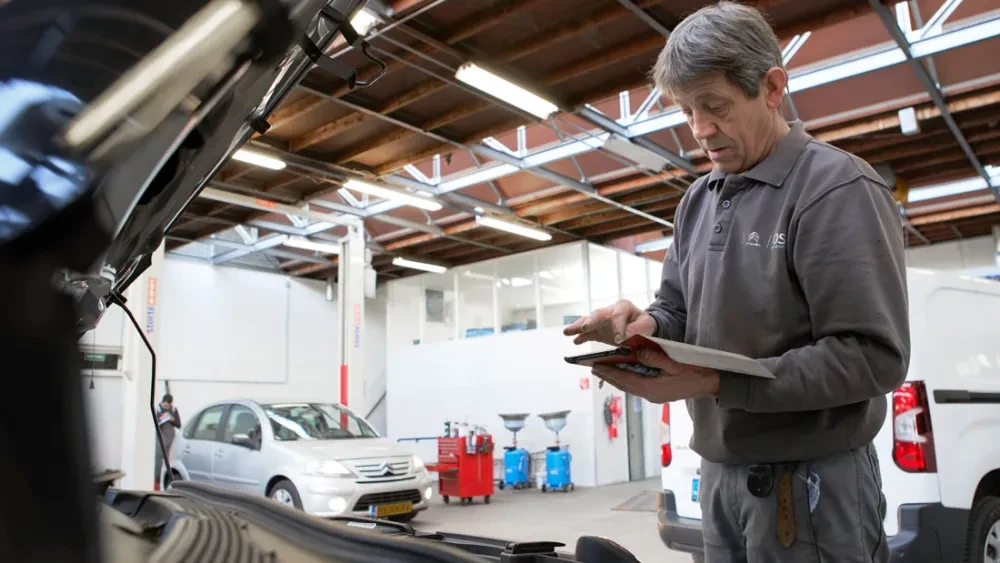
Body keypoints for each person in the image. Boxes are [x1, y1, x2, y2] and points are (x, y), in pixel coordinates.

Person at [564, 2, 910, 562]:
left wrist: (712, 382)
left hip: (810, 487)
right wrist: (643, 325)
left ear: (772, 87)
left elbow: (873, 358)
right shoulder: (699, 201)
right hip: (720, 480)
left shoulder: (834, 189)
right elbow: (677, 308)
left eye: (716, 106)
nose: (700, 130)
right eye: (687, 111)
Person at [154, 393, 182, 488]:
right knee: (158, 462)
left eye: (168, 405)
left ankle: (169, 483)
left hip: (170, 440)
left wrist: (171, 418)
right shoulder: (157, 409)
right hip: (160, 439)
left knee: (169, 462)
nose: (166, 406)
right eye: (165, 404)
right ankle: (156, 482)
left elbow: (178, 425)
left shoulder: (173, 410)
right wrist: (161, 418)